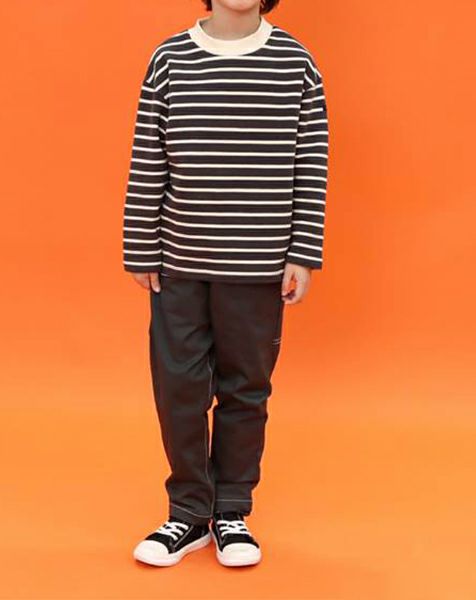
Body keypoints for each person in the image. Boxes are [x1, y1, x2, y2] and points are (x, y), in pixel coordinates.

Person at [123, 0, 329, 568]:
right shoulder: (170, 59)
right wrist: (140, 244)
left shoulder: (295, 62)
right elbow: (148, 155)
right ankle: (189, 511)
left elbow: (311, 160)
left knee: (246, 388)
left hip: (258, 266)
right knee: (178, 387)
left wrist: (303, 253)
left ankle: (232, 510)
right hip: (180, 263)